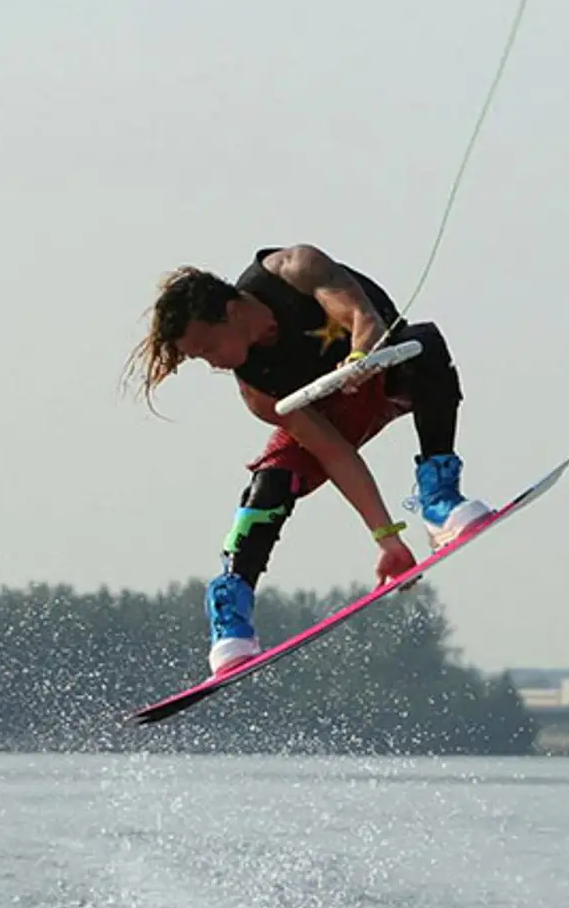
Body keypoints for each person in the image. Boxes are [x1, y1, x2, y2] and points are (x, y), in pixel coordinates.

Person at [127, 243, 492, 675]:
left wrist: (360, 358)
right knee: (271, 483)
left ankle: (440, 500)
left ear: (232, 311)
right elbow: (335, 454)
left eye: (207, 347)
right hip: (332, 415)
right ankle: (232, 613)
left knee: (423, 344)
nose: (212, 364)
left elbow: (363, 318)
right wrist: (387, 539)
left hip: (385, 374)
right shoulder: (257, 390)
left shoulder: (293, 269)